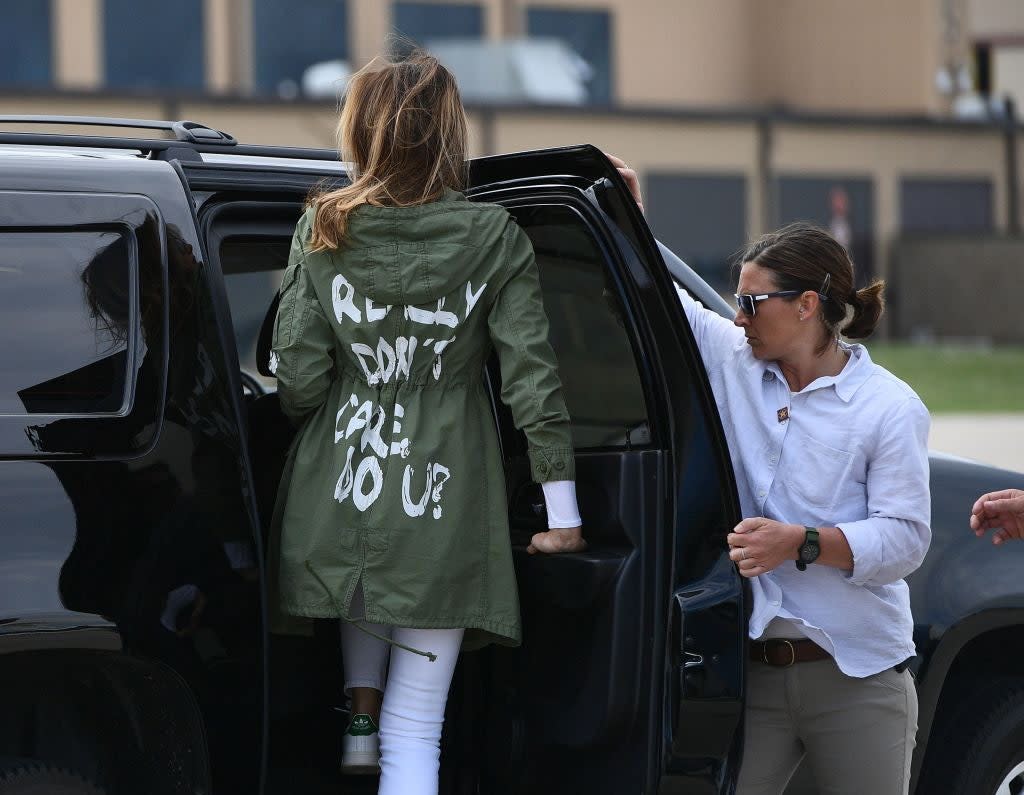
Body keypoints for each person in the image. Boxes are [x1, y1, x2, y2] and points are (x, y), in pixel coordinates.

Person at [269, 52, 584, 795]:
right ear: (450, 132)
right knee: (420, 735)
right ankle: (377, 724)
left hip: (339, 488)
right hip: (443, 499)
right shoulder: (496, 237)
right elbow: (531, 379)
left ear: (362, 130)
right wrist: (562, 513)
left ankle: (357, 712)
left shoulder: (322, 227)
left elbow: (299, 380)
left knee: (363, 584)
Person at [609, 155, 929, 795]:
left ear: (807, 304)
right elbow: (657, 296)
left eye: (752, 302)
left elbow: (905, 541)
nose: (738, 317)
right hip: (752, 673)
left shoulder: (890, 407)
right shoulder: (734, 357)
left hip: (858, 675)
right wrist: (627, 220)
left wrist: (801, 542)